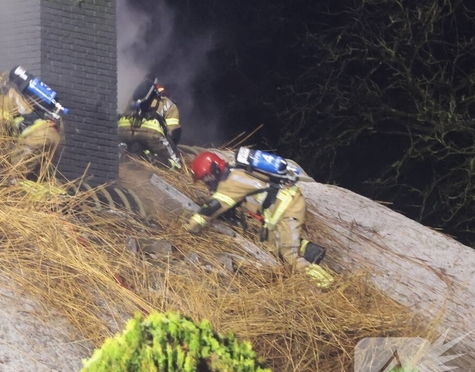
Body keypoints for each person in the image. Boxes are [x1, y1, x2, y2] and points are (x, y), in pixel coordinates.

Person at [182, 151, 335, 288]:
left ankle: (327, 283)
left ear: (214, 170)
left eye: (206, 178)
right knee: (270, 245)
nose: (207, 183)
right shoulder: (236, 171)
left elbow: (213, 206)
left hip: (287, 208)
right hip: (280, 208)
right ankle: (310, 250)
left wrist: (191, 226)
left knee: (289, 255)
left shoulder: (229, 183)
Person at [0, 65, 64, 181]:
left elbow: (1, 131)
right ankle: (56, 196)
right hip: (50, 133)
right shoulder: (13, 89)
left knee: (10, 176)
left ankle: (44, 196)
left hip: (37, 137)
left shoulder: (0, 96)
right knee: (34, 178)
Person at [117, 76, 182, 169]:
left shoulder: (134, 98)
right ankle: (151, 157)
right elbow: (173, 132)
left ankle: (127, 150)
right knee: (176, 164)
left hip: (124, 127)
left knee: (135, 140)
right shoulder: (169, 104)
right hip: (151, 132)